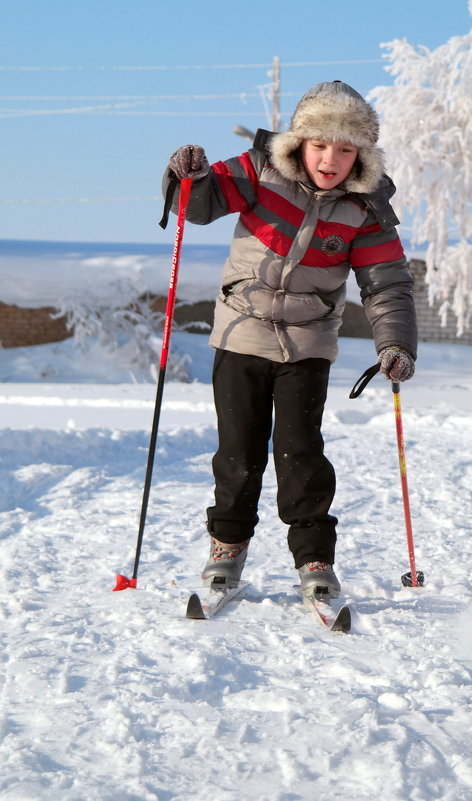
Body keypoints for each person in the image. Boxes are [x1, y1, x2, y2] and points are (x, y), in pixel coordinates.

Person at [162, 81, 418, 599]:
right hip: (242, 330)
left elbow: (386, 284)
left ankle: (315, 559)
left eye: (346, 149)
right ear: (300, 142)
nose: (331, 159)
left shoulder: (366, 209)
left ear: (361, 156)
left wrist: (395, 345)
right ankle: (227, 547)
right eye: (321, 144)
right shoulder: (261, 170)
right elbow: (201, 202)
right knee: (238, 450)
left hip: (309, 341)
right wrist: (185, 173)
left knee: (301, 454)